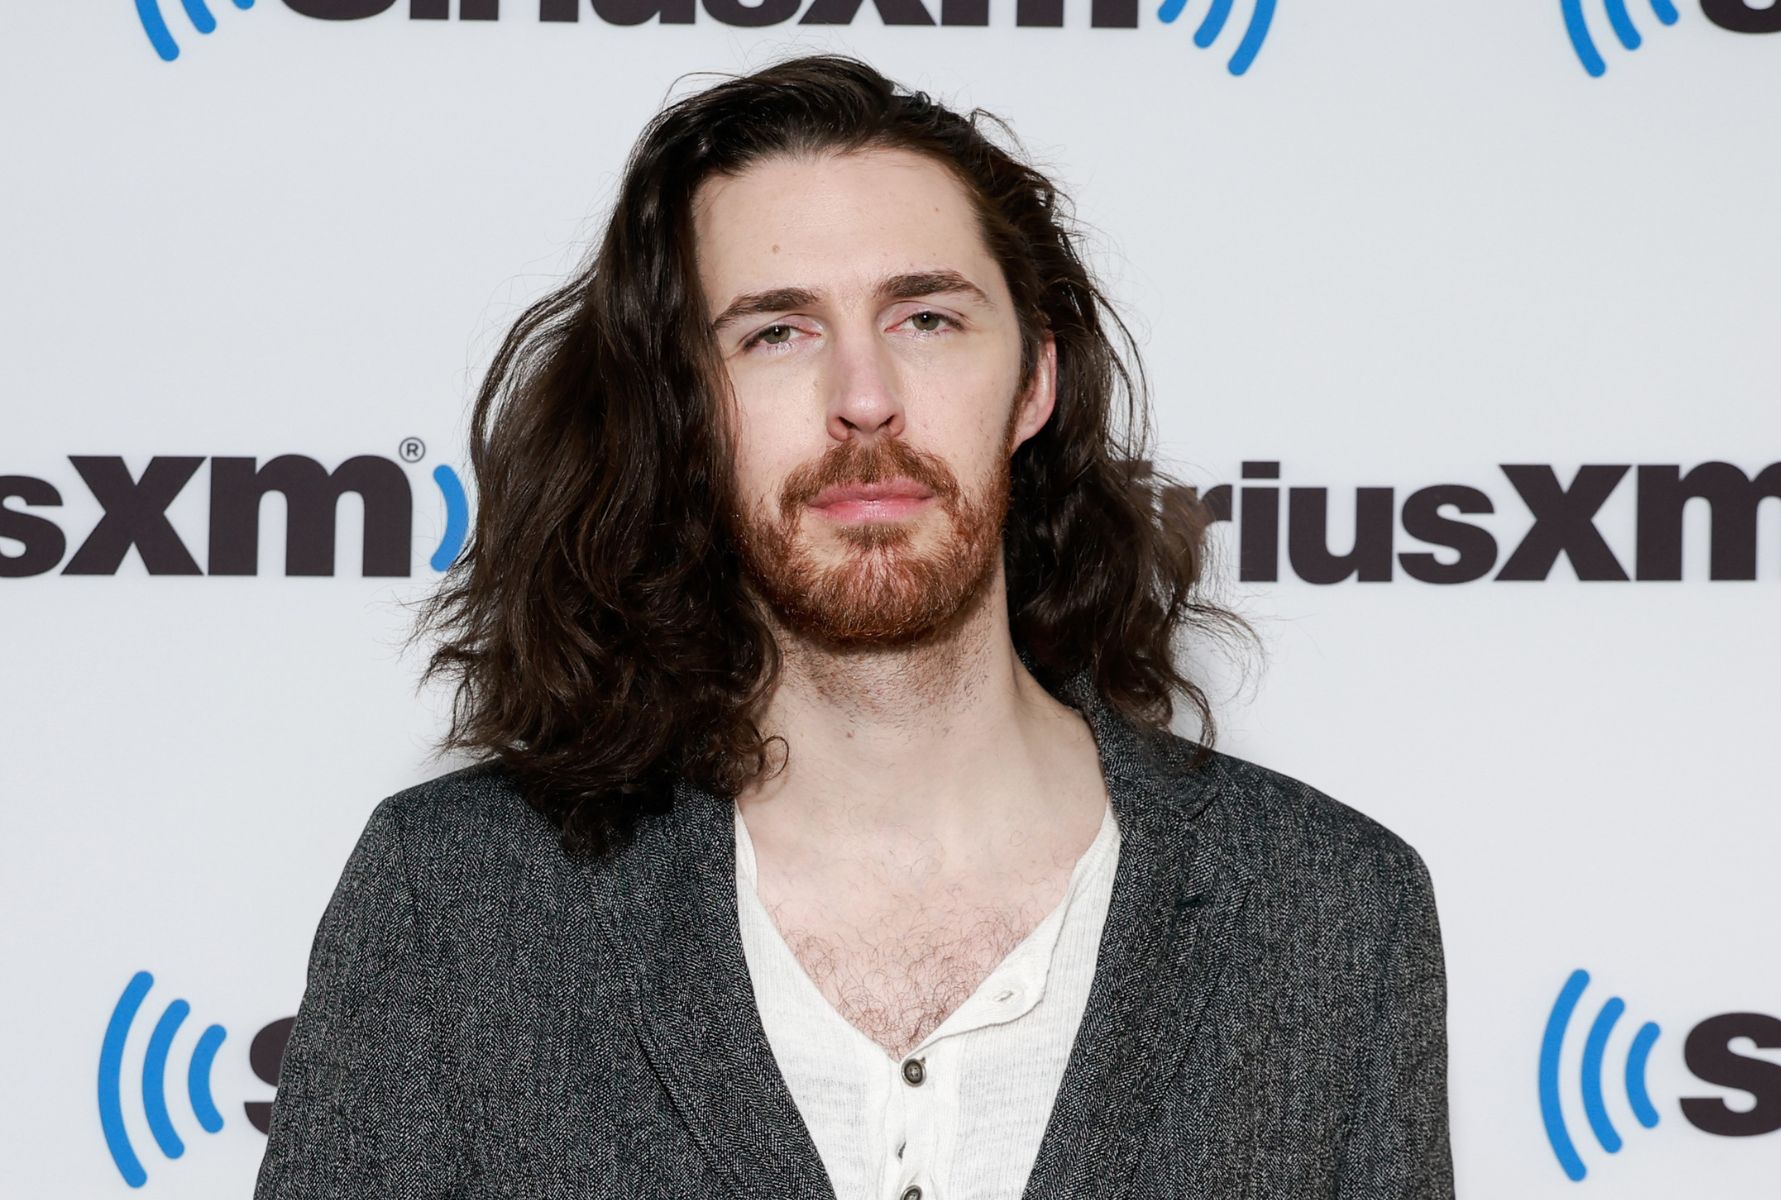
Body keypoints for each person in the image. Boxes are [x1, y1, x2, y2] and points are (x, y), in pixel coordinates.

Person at [253, 53, 1453, 1200]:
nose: (864, 400)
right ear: (685, 410)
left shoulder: (1325, 911)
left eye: (926, 319)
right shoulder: (459, 901)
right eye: (776, 333)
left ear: (1034, 379)